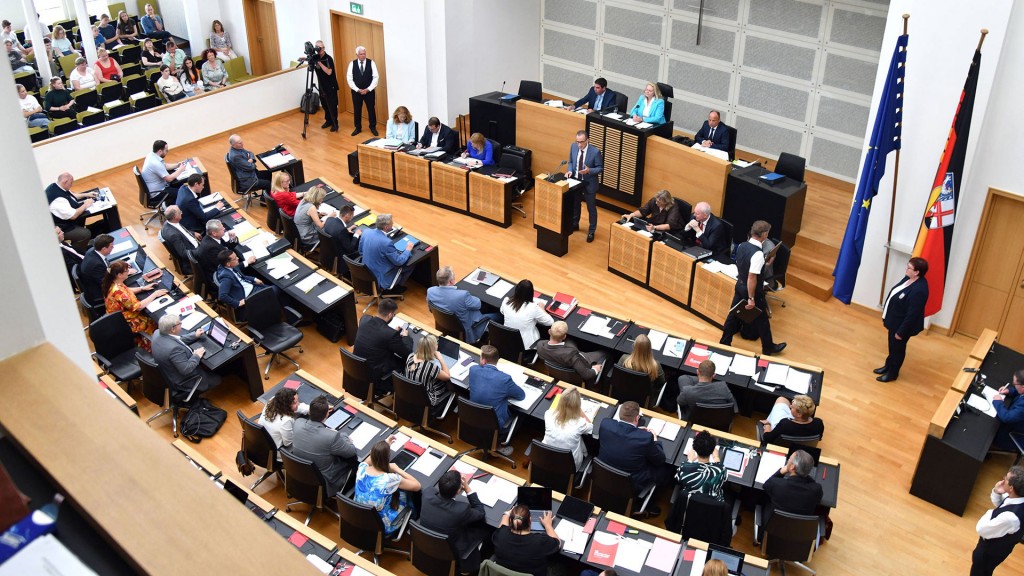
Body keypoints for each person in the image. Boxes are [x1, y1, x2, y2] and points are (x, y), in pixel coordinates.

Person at [720, 220, 786, 355]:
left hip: (740, 285)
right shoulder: (758, 254)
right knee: (762, 320)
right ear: (764, 235)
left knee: (733, 315)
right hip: (752, 290)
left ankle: (724, 343)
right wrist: (751, 298)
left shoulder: (742, 245)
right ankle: (768, 348)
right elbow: (752, 277)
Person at [419, 470, 487, 574]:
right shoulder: (461, 510)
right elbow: (480, 512)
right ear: (458, 491)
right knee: (485, 530)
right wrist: (468, 488)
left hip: (426, 543)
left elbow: (432, 490)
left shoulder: (427, 493)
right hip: (451, 550)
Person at [598, 401, 666, 502]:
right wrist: (655, 440)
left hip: (604, 475)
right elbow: (660, 459)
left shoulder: (605, 424)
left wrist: (636, 431)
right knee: (665, 470)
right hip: (631, 482)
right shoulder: (646, 438)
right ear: (637, 418)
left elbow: (622, 437)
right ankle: (649, 504)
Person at [875, 257, 929, 382]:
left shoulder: (919, 290)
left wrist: (901, 332)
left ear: (917, 272)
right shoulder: (908, 278)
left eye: (909, 267)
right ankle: (888, 366)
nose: (906, 269)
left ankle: (892, 373)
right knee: (892, 346)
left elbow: (912, 315)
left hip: (902, 327)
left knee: (898, 349)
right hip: (894, 322)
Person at [291, 395, 357, 497]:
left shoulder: (298, 422)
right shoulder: (332, 436)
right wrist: (343, 435)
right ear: (327, 414)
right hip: (327, 479)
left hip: (301, 473)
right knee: (355, 462)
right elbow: (351, 451)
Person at [354, 439, 421, 536]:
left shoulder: (361, 469)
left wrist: (383, 446)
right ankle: (412, 519)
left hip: (359, 516)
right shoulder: (389, 479)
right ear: (387, 459)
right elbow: (417, 486)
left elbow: (369, 459)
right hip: (382, 525)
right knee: (405, 493)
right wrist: (396, 469)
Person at [467, 345, 525, 455]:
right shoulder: (504, 379)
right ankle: (498, 444)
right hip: (495, 424)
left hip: (472, 417)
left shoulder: (473, 370)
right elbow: (521, 396)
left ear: (483, 360)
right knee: (521, 415)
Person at [151, 313, 222, 399]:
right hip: (184, 380)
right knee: (218, 379)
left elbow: (176, 339)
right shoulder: (174, 349)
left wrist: (194, 335)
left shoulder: (157, 332)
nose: (181, 324)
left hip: (168, 372)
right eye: (179, 323)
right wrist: (196, 355)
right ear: (173, 329)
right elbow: (186, 369)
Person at [971, 466, 1024, 576]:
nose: (1003, 480)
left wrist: (990, 511)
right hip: (1000, 546)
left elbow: (982, 529)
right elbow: (1002, 506)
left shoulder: (1010, 517)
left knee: (980, 572)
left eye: (1006, 479)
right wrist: (997, 492)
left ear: (1011, 488)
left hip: (989, 551)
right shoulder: (1017, 497)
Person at [759, 450, 822, 542]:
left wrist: (781, 471)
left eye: (789, 460)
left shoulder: (777, 484)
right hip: (798, 536)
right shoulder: (816, 489)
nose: (788, 461)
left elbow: (766, 485)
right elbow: (814, 487)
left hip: (772, 534)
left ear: (792, 467)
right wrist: (804, 473)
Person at [352, 298, 413, 394]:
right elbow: (407, 352)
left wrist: (392, 333)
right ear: (390, 315)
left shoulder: (364, 319)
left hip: (357, 369)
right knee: (408, 361)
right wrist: (405, 337)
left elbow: (374, 334)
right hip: (376, 375)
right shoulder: (390, 334)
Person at [102, 260, 166, 351]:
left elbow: (127, 290)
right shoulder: (117, 291)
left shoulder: (113, 283)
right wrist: (155, 294)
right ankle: (159, 346)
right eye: (126, 271)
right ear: (119, 275)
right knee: (158, 322)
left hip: (120, 318)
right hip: (128, 322)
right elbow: (138, 307)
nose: (128, 272)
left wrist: (142, 288)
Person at [426, 265, 498, 344]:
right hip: (469, 326)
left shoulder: (430, 291)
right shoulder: (462, 295)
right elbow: (478, 304)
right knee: (499, 315)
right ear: (451, 281)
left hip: (446, 323)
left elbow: (431, 309)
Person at [491, 504, 561, 576]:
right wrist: (548, 525)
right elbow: (558, 543)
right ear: (530, 520)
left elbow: (502, 526)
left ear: (510, 521)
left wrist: (507, 513)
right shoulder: (539, 541)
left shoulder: (501, 534)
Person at [536, 320, 606, 389]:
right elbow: (586, 375)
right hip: (582, 363)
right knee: (606, 353)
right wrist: (595, 369)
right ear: (564, 337)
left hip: (558, 370)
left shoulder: (540, 345)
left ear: (549, 331)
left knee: (571, 341)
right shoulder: (571, 355)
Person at [358, 213, 414, 293]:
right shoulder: (387, 243)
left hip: (366, 272)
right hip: (381, 278)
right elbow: (399, 262)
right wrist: (408, 249)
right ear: (386, 227)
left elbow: (361, 251)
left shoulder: (366, 232)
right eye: (392, 223)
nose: (393, 224)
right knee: (411, 265)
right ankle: (396, 289)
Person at [565, 130, 603, 242]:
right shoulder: (573, 146)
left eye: (582, 142)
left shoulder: (595, 152)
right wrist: (570, 171)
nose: (579, 145)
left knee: (591, 208)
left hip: (589, 183)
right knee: (575, 204)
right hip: (576, 181)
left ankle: (591, 231)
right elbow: (571, 162)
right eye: (578, 142)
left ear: (588, 140)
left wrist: (589, 170)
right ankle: (575, 223)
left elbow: (600, 168)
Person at [541, 387, 592, 469]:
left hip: (547, 457)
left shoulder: (548, 414)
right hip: (569, 465)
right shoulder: (580, 423)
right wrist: (580, 412)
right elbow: (591, 427)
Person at [46, 172, 96, 252]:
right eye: (71, 183)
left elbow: (71, 196)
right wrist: (86, 204)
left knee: (82, 217)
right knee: (85, 234)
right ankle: (77, 253)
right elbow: (73, 215)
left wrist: (87, 194)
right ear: (65, 182)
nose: (71, 185)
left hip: (62, 222)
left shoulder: (57, 186)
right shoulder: (58, 200)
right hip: (60, 228)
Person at [404, 334, 452, 417]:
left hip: (410, 394)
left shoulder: (410, 356)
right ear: (433, 349)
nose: (437, 345)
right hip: (426, 399)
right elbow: (447, 376)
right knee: (451, 388)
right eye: (436, 344)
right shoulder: (430, 367)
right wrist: (440, 359)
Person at [195, 219, 253, 287]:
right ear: (214, 233)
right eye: (221, 229)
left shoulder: (209, 238)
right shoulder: (211, 248)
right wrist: (246, 262)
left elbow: (225, 249)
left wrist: (232, 239)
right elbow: (226, 268)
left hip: (218, 269)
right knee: (252, 270)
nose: (224, 229)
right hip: (220, 277)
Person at [500, 278, 553, 348]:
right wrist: (542, 309)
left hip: (507, 340)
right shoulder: (533, 308)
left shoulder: (506, 301)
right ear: (531, 293)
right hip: (526, 346)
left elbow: (502, 311)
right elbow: (550, 322)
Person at [676, 430, 727, 501]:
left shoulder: (684, 468)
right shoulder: (721, 470)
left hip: (690, 502)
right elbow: (724, 479)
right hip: (713, 504)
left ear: (694, 448)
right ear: (713, 450)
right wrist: (716, 458)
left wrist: (689, 460)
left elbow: (678, 478)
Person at [617, 334, 666, 400]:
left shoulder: (624, 359)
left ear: (634, 346)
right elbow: (662, 382)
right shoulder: (655, 365)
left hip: (623, 392)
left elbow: (618, 376)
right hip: (645, 397)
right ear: (649, 348)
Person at [306, 40, 338, 132]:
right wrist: (306, 59)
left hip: (331, 86)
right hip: (322, 86)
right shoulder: (315, 57)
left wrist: (319, 63)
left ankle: (335, 123)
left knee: (332, 105)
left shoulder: (328, 58)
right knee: (324, 105)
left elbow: (329, 72)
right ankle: (328, 121)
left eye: (319, 47)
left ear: (323, 48)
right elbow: (311, 64)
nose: (318, 49)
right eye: (316, 47)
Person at [346, 45, 378, 136]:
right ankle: (358, 128)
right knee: (357, 109)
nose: (363, 56)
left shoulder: (371, 63)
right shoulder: (352, 64)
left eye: (364, 54)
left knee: (371, 109)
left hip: (369, 92)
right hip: (356, 92)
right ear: (357, 55)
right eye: (361, 54)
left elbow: (376, 77)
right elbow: (349, 79)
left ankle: (373, 127)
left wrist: (368, 89)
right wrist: (357, 89)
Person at [158, 205, 199, 275]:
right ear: (175, 217)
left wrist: (192, 233)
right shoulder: (174, 235)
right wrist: (201, 251)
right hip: (193, 256)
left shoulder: (170, 222)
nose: (181, 213)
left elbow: (182, 231)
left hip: (191, 244)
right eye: (180, 212)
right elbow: (184, 254)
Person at [991, 370, 1024, 451]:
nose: (1014, 385)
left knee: (987, 428)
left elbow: (1007, 418)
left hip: (1015, 433)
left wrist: (998, 402)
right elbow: (1020, 391)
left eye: (1015, 384)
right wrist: (1009, 390)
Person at [78, 234, 115, 306]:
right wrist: (121, 274)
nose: (113, 247)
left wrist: (118, 268)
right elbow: (106, 284)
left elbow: (106, 266)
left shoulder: (92, 250)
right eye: (111, 246)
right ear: (104, 249)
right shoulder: (96, 265)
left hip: (94, 283)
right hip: (98, 292)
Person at [294, 184, 333, 250]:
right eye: (321, 198)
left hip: (299, 231)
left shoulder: (303, 200)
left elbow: (305, 215)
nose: (322, 200)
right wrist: (329, 216)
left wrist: (317, 214)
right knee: (330, 230)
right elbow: (320, 226)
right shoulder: (311, 207)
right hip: (307, 237)